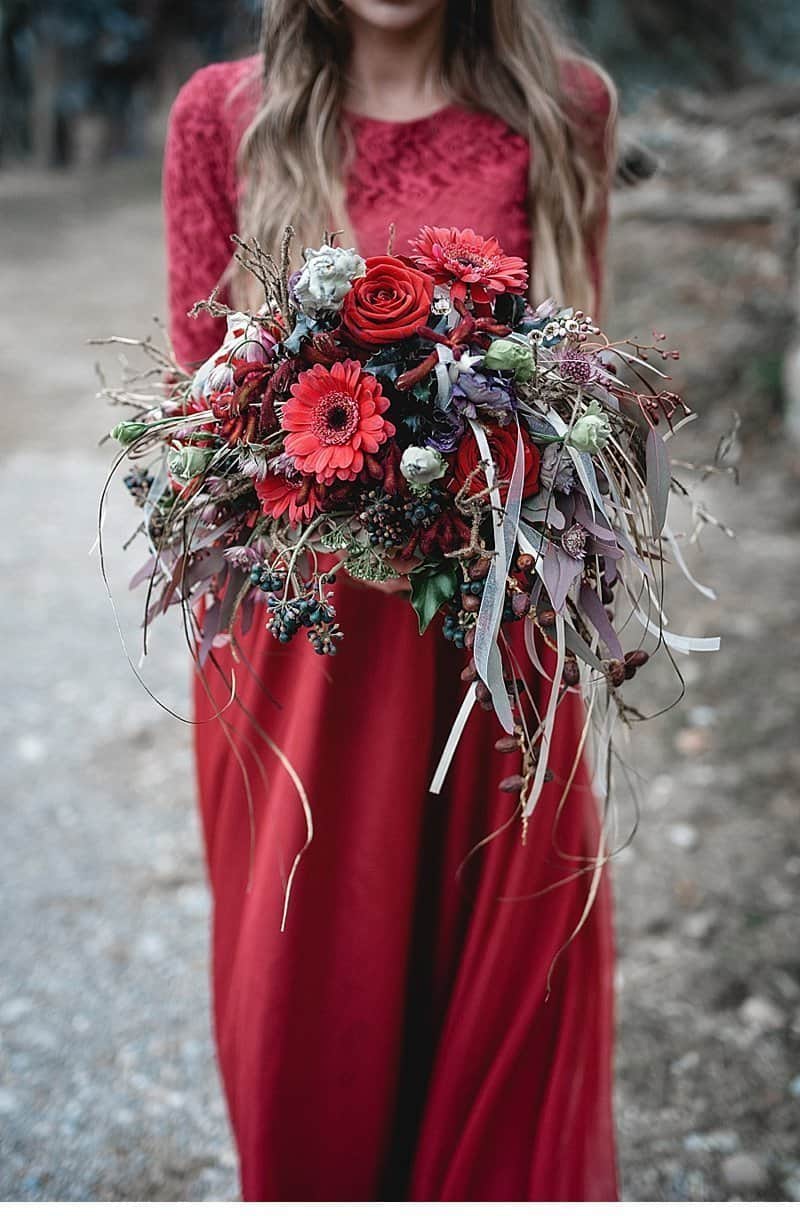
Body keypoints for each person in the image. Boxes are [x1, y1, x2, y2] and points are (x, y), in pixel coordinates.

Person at [163, 0, 618, 1201]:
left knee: (500, 988)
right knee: (314, 991)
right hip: (301, 637)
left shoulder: (562, 108)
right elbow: (192, 385)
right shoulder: (221, 113)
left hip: (491, 635)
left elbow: (581, 378)